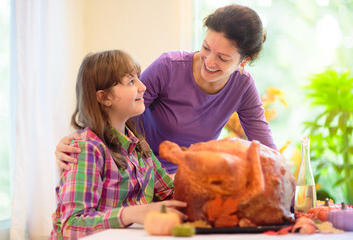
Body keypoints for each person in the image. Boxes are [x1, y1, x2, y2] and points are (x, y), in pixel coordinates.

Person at [55, 4, 277, 175]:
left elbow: (266, 149)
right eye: (206, 47)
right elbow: (118, 109)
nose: (208, 61)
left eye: (222, 58)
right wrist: (80, 140)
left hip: (184, 180)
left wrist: (284, 181)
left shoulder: (243, 87)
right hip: (138, 171)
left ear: (244, 60)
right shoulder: (169, 67)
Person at [49, 50, 187, 240]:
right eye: (131, 81)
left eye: (138, 78)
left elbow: (172, 194)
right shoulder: (86, 148)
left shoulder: (140, 148)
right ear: (105, 98)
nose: (143, 87)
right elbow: (71, 226)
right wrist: (131, 214)